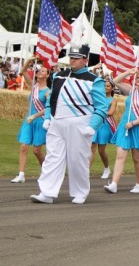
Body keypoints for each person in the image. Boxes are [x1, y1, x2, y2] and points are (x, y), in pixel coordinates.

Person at [30, 45, 109, 204]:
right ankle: (47, 192)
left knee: (77, 159)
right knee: (52, 158)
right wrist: (47, 117)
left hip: (80, 123)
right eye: (71, 57)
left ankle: (80, 192)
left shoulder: (95, 81)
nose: (72, 60)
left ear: (85, 60)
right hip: (57, 121)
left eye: (76, 57)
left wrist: (92, 126)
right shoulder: (59, 76)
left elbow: (102, 107)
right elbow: (51, 100)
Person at [104, 69, 139, 194]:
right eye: (137, 77)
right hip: (124, 127)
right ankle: (114, 184)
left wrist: (133, 123)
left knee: (137, 158)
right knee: (120, 156)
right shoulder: (132, 91)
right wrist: (128, 72)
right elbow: (114, 82)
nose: (138, 79)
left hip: (138, 128)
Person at [11, 57, 50, 183]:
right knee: (23, 147)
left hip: (39, 121)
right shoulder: (34, 86)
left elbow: (48, 108)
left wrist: (34, 116)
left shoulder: (48, 91)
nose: (40, 72)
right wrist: (30, 60)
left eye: (43, 71)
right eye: (39, 70)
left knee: (37, 151)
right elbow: (23, 71)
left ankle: (47, 171)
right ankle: (21, 174)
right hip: (28, 120)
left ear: (47, 76)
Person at [90, 77, 117, 179]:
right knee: (92, 148)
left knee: (101, 150)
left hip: (105, 124)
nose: (105, 87)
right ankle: (86, 171)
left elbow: (111, 113)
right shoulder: (97, 97)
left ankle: (106, 168)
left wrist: (98, 113)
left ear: (112, 88)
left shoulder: (113, 100)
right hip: (95, 124)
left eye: (108, 86)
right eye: (104, 86)